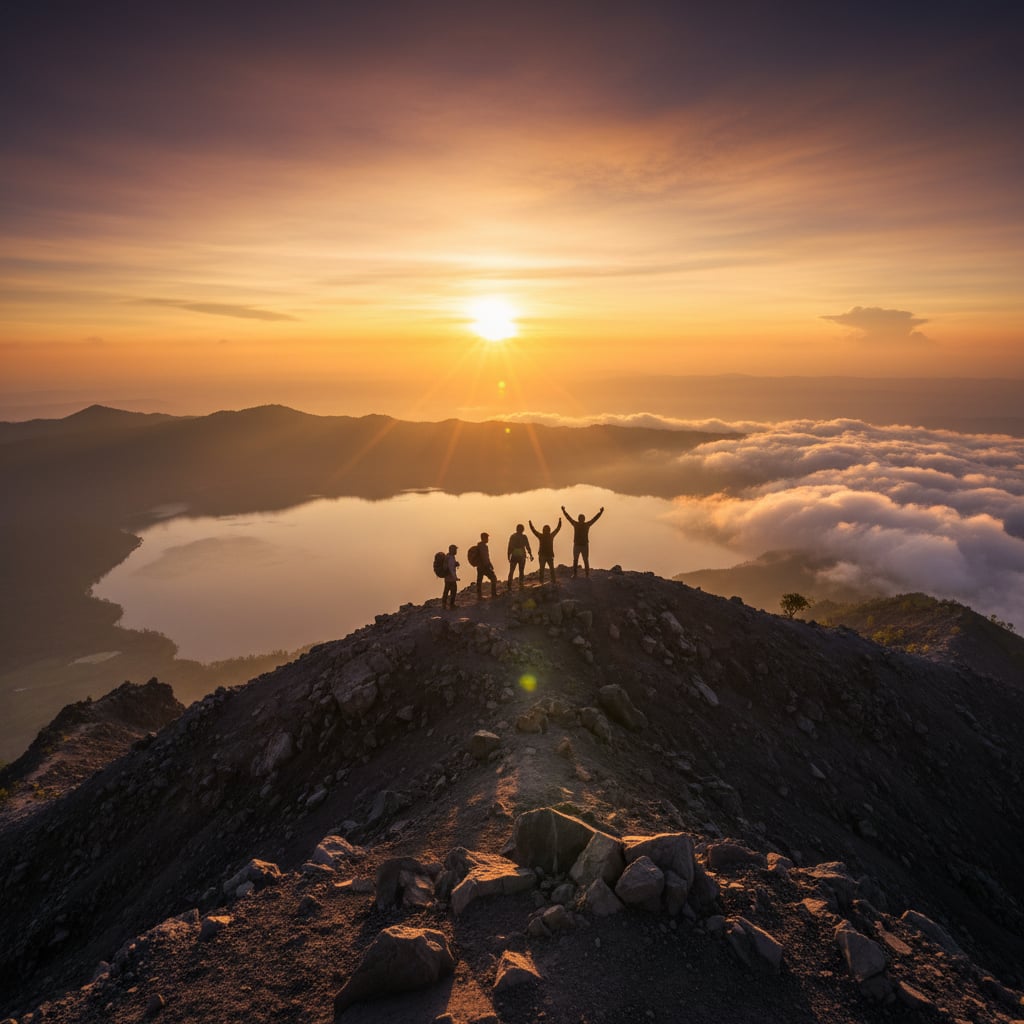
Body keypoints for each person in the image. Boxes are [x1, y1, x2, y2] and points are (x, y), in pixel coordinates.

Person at [561, 504, 604, 577]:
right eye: (581, 518)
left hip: (581, 545)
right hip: (580, 545)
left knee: (581, 560)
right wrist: (564, 511)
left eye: (581, 518)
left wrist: (600, 513)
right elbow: (594, 519)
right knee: (580, 560)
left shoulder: (579, 524)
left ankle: (582, 574)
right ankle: (579, 574)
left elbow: (569, 518)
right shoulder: (583, 524)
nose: (581, 520)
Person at [528, 517, 561, 584]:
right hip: (547, 555)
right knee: (550, 570)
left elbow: (533, 531)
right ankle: (552, 581)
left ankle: (542, 582)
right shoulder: (551, 535)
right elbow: (557, 529)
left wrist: (530, 524)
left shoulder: (541, 536)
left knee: (543, 570)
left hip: (544, 555)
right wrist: (560, 522)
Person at [507, 523, 534, 588]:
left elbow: (509, 547)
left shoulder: (513, 536)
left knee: (512, 571)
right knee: (521, 571)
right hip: (522, 556)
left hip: (514, 556)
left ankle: (509, 585)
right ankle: (521, 584)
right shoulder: (524, 537)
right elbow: (527, 546)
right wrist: (530, 554)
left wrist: (508, 555)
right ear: (523, 530)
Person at [475, 531, 498, 599]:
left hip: (480, 566)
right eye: (487, 538)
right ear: (483, 538)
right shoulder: (483, 546)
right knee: (493, 578)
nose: (488, 539)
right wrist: (489, 565)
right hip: (484, 566)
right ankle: (493, 594)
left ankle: (479, 596)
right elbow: (485, 557)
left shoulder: (480, 546)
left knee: (479, 581)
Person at [442, 544, 459, 609]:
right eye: (455, 549)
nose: (456, 551)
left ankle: (444, 604)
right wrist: (455, 578)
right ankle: (451, 605)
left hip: (447, 577)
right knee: (453, 591)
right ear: (451, 550)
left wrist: (455, 564)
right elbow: (451, 568)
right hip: (450, 578)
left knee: (446, 590)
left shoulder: (448, 556)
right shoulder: (450, 557)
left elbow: (450, 566)